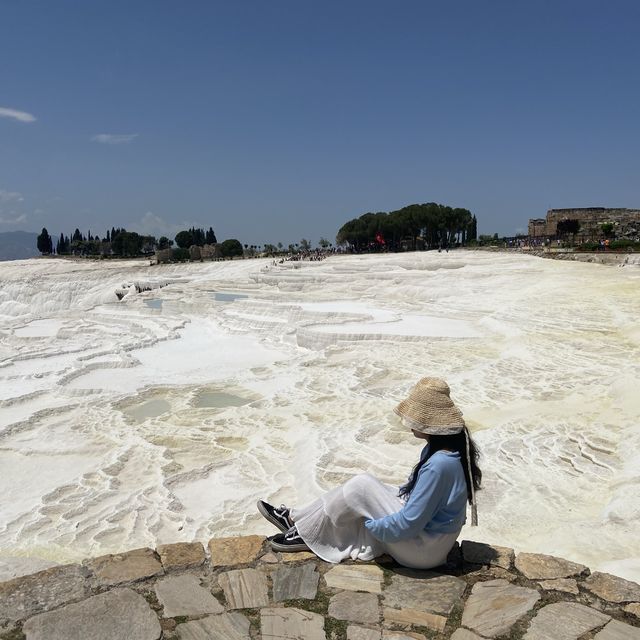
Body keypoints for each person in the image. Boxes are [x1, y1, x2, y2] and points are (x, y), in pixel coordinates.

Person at [257, 377, 481, 570]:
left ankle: (307, 535)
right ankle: (296, 519)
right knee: (367, 486)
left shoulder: (439, 464)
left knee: (361, 488)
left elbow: (409, 524)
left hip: (423, 552)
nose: (408, 422)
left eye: (414, 417)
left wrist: (370, 525)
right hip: (435, 544)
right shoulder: (450, 452)